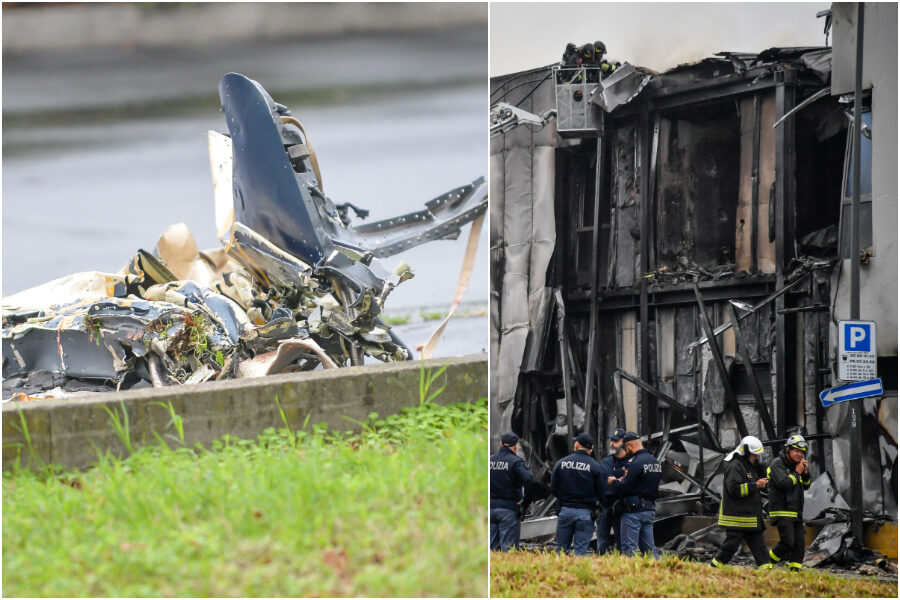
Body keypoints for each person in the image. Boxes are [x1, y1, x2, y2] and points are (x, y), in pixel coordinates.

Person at [710, 435, 772, 569]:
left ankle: (767, 573)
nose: (756, 458)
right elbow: (734, 490)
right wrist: (755, 485)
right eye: (754, 455)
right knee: (730, 547)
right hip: (736, 518)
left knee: (760, 547)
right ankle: (712, 569)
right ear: (746, 452)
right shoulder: (735, 466)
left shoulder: (748, 466)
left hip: (749, 517)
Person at [608, 432, 662, 558]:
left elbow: (623, 487)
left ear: (630, 445)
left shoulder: (635, 463)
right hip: (649, 510)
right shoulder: (654, 461)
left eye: (626, 447)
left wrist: (614, 482)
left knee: (628, 549)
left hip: (633, 511)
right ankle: (657, 573)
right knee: (649, 549)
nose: (626, 451)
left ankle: (630, 574)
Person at [550, 432, 604, 556]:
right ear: (591, 449)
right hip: (585, 513)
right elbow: (602, 492)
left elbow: (553, 488)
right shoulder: (595, 467)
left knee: (561, 551)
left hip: (565, 511)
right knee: (580, 552)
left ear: (576, 445)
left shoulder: (561, 463)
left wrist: (563, 500)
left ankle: (559, 574)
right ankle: (577, 574)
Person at [766, 434, 812, 571]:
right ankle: (767, 562)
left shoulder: (797, 466)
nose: (800, 454)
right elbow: (784, 484)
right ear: (788, 449)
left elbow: (807, 485)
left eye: (802, 452)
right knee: (788, 542)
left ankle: (795, 571)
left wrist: (804, 473)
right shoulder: (777, 464)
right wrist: (797, 473)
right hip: (782, 510)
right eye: (797, 451)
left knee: (799, 544)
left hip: (796, 511)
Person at [490, 432, 535, 551]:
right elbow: (529, 481)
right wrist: (526, 502)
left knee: (492, 550)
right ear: (515, 447)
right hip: (508, 511)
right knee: (508, 551)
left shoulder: (489, 461)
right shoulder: (516, 462)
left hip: (490, 509)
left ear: (500, 444)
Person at [596, 428, 628, 553]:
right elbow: (598, 482)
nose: (612, 444)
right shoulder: (606, 462)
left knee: (622, 542)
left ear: (624, 442)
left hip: (621, 507)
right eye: (611, 441)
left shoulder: (631, 462)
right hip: (605, 507)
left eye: (615, 441)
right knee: (602, 541)